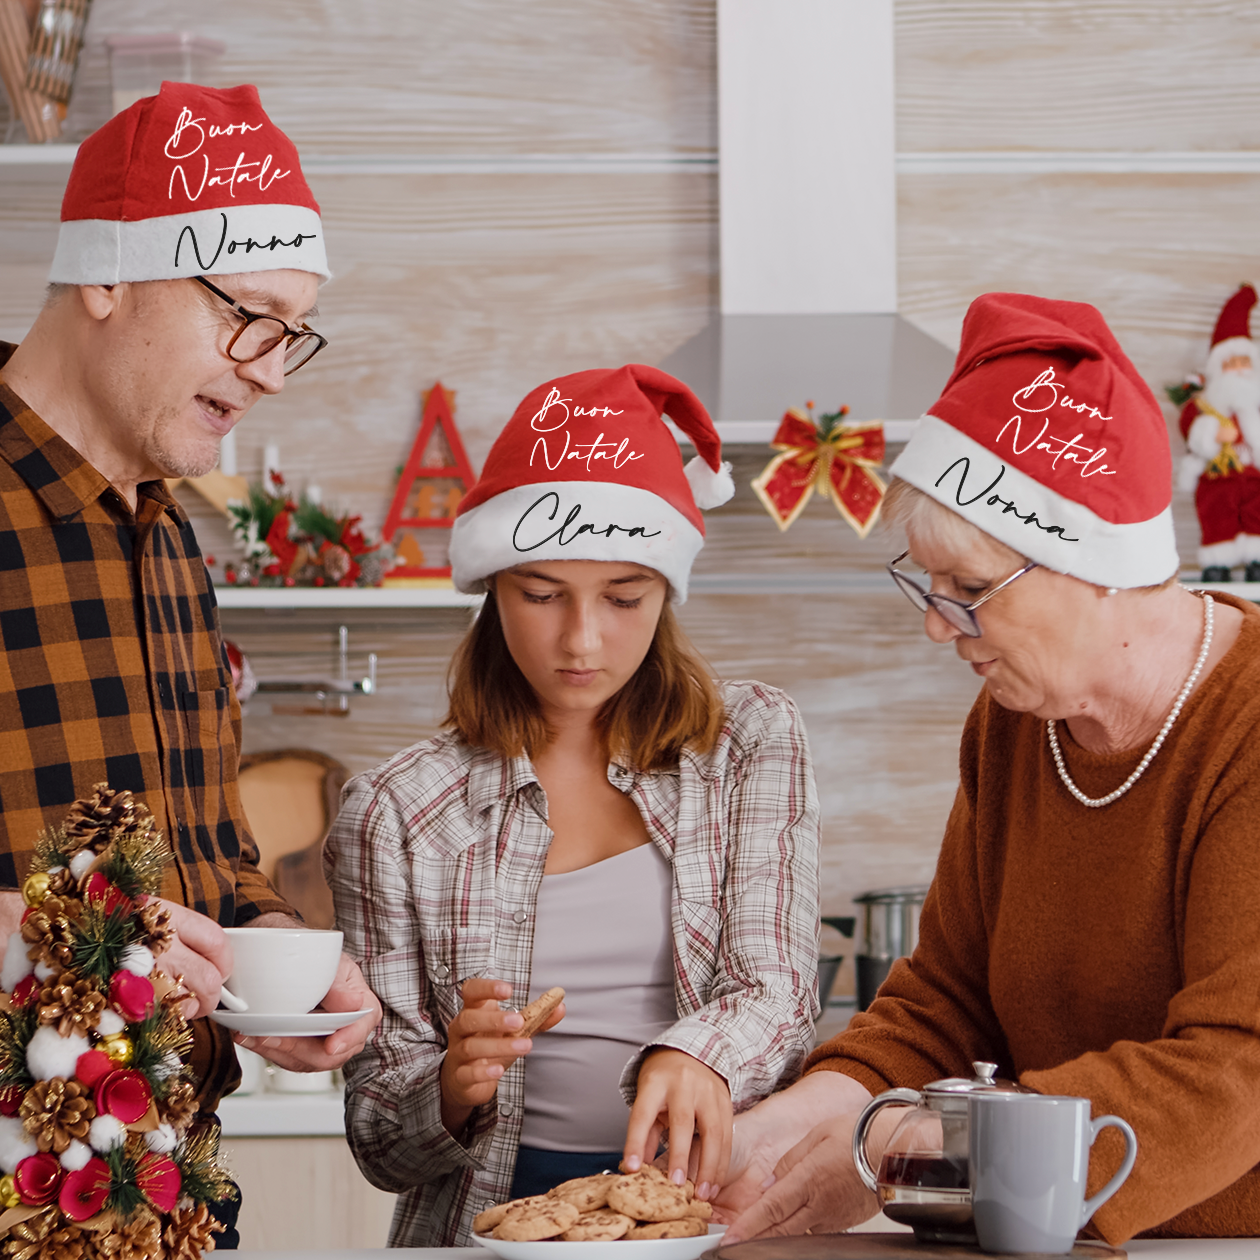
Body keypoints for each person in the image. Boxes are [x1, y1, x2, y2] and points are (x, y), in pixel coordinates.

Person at [713, 293, 1260, 1246]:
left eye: (970, 591)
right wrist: (784, 1125)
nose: (938, 623)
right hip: (1039, 1231)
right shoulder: (1015, 724)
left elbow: (1235, 1072)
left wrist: (905, 1149)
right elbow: (946, 1001)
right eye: (929, 586)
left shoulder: (1245, 728)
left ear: (1098, 567)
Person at [0, 81, 382, 1242]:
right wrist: (34, 936)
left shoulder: (173, 540)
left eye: (292, 335)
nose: (270, 368)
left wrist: (269, 952)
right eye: (248, 317)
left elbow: (206, 862)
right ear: (110, 277)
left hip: (159, 1185)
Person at [325, 364, 822, 1247]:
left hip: (707, 1220)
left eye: (624, 597)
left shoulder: (751, 742)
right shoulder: (395, 812)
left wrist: (696, 1050)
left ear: (666, 592)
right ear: (490, 588)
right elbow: (379, 1141)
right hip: (484, 1225)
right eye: (541, 594)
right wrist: (449, 1085)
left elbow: (777, 988)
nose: (582, 640)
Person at [1176, 283, 1260, 581]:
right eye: (1231, 363)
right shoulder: (1205, 405)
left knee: (1257, 514)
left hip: (1253, 474)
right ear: (1218, 369)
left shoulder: (1255, 406)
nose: (1238, 370)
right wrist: (1211, 434)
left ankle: (1256, 561)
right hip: (1216, 475)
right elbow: (1188, 425)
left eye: (1244, 363)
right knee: (1217, 517)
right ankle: (1216, 564)